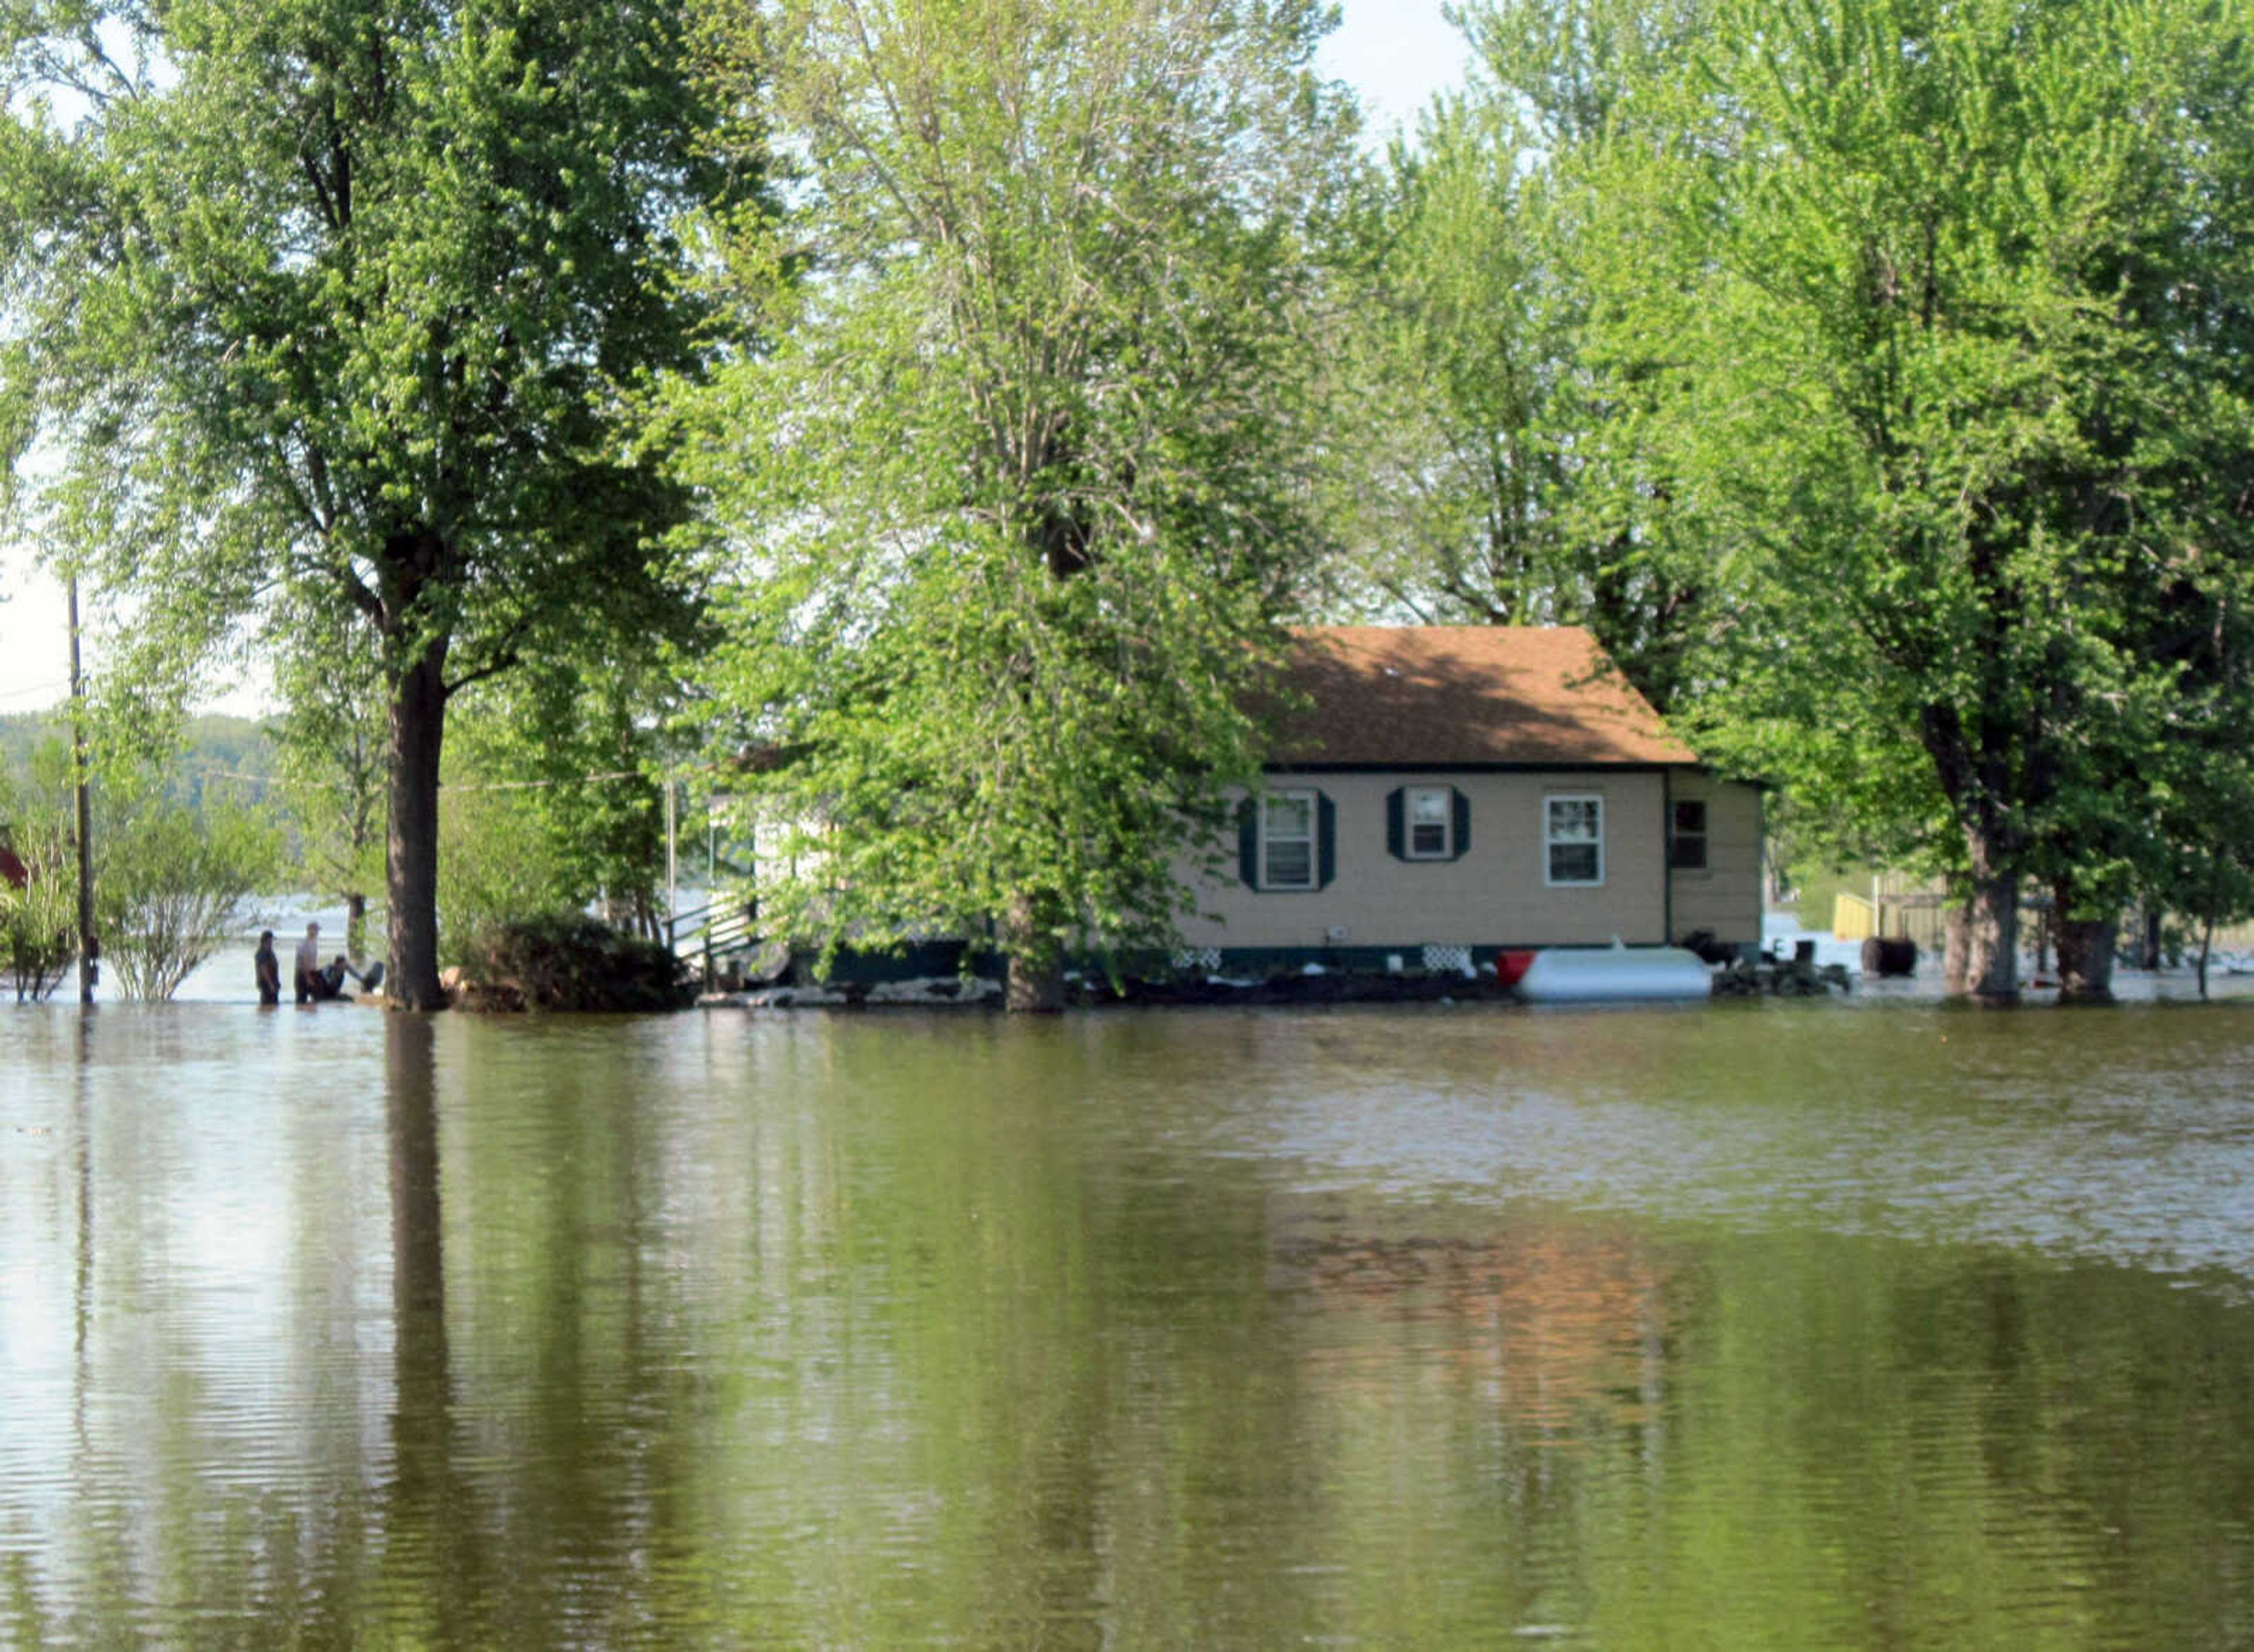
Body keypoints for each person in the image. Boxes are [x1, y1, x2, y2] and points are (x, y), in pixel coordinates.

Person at [293, 921, 322, 1004]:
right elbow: (303, 962)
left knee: (316, 1000)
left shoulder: (314, 943)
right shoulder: (303, 944)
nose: (317, 932)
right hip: (303, 975)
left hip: (312, 973)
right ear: (309, 930)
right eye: (316, 930)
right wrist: (308, 978)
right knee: (301, 1000)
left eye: (317, 930)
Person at [253, 930, 281, 1006]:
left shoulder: (270, 951)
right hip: (266, 983)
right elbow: (263, 969)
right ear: (266, 940)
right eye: (271, 940)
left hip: (273, 982)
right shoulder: (262, 952)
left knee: (273, 1005)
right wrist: (270, 984)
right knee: (267, 1004)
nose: (272, 942)